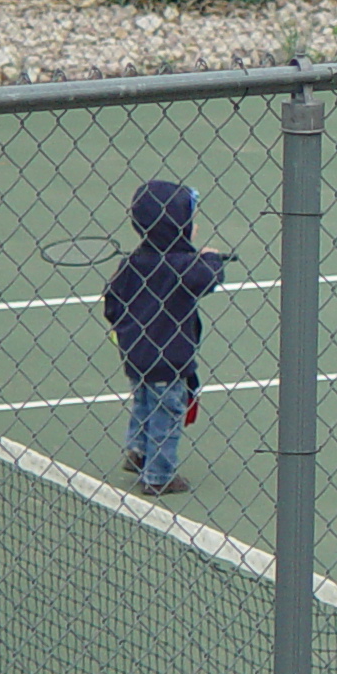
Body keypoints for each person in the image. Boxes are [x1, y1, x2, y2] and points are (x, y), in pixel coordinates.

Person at [105, 179, 227, 496]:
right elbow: (207, 279)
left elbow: (112, 303)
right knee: (167, 413)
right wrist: (211, 257)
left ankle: (138, 451)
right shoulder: (183, 266)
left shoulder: (132, 263)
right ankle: (159, 475)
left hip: (136, 355)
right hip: (169, 360)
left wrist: (126, 332)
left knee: (144, 402)